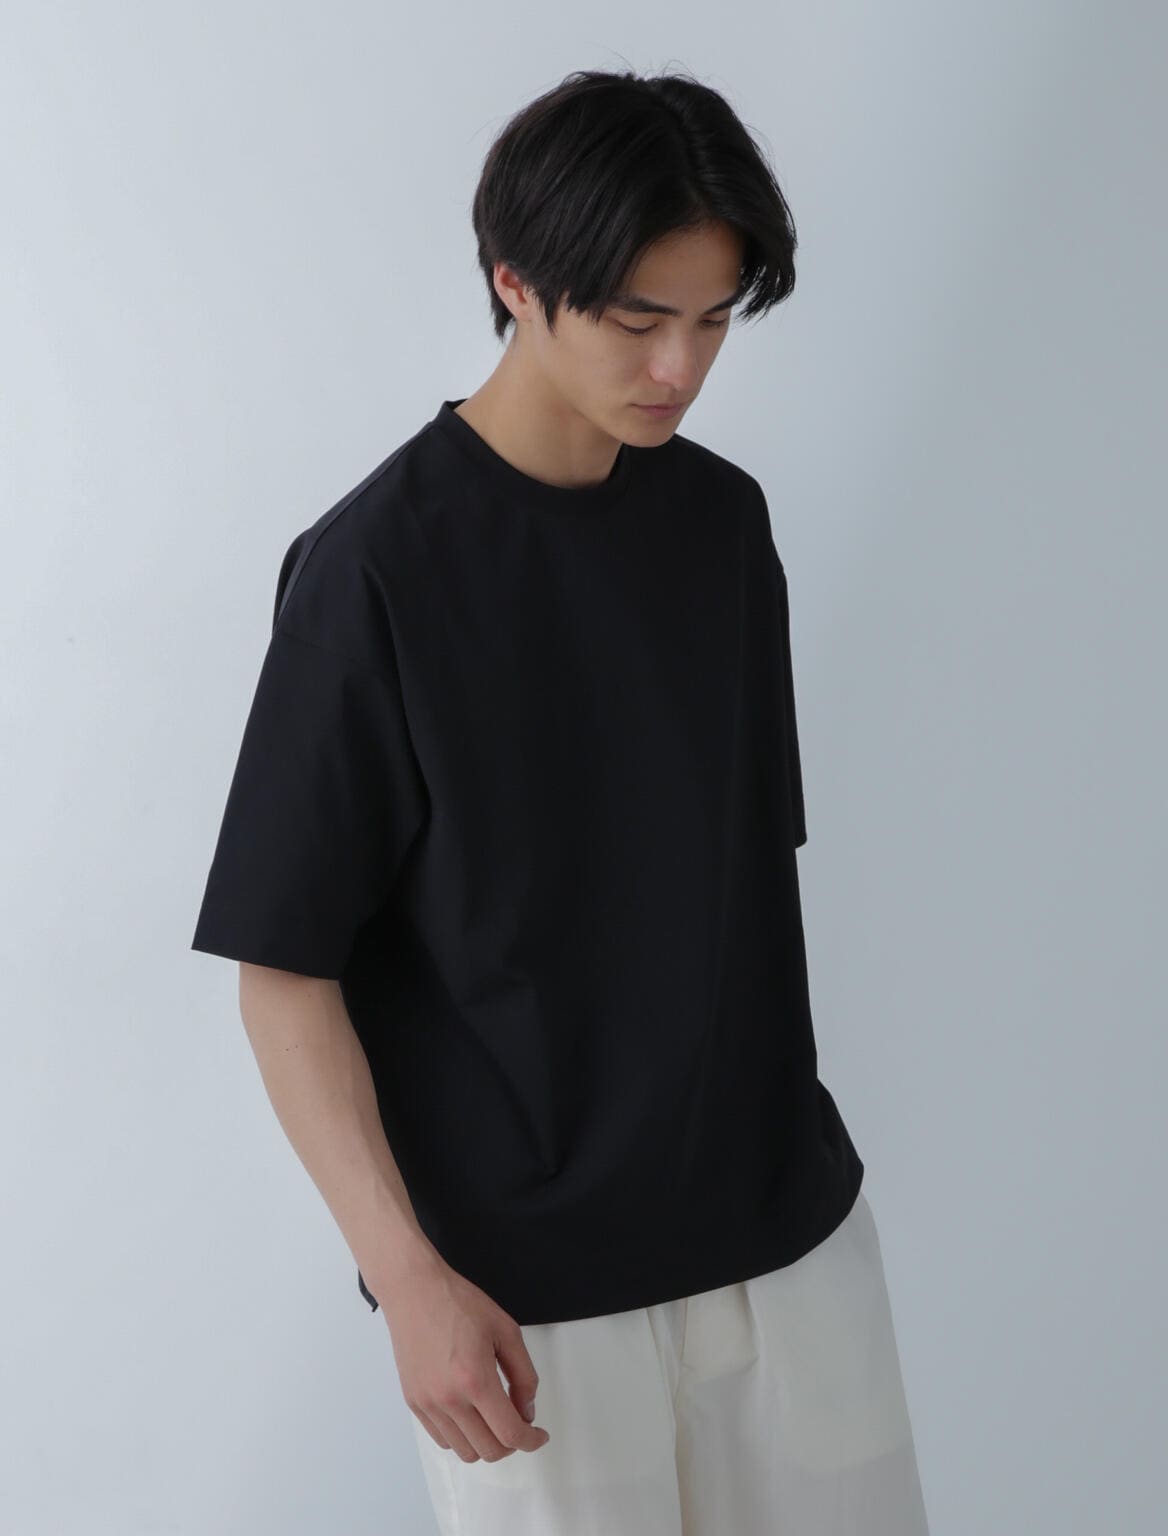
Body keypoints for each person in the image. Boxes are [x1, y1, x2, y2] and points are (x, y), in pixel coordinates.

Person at [191, 65, 930, 1536]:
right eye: (638, 320)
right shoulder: (372, 572)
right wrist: (407, 1278)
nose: (680, 367)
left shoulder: (723, 525)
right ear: (516, 285)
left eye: (713, 319)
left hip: (788, 1248)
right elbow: (283, 972)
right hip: (527, 1309)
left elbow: (725, 886)